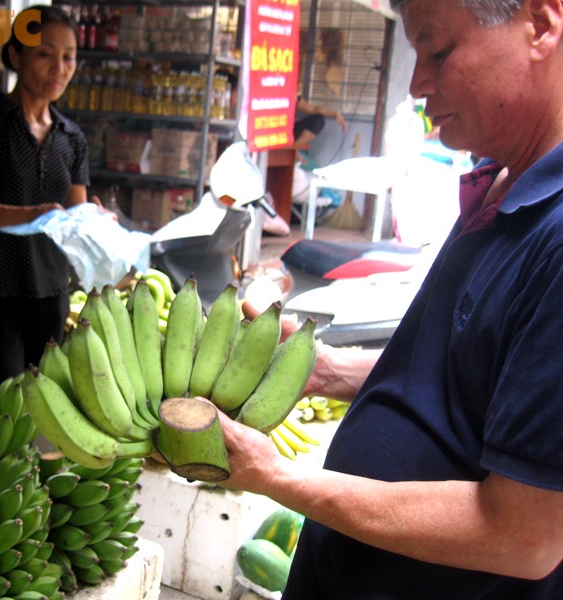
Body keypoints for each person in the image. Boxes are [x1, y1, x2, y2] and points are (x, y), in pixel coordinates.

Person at [218, 0, 563, 597]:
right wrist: (324, 369)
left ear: (540, 24)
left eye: (438, 49)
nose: (416, 82)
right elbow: (469, 375)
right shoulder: (501, 180)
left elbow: (524, 536)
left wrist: (275, 477)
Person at [0, 5, 93, 396]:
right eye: (45, 54)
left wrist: (97, 219)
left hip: (51, 290)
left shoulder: (71, 138)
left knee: (44, 406)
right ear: (15, 55)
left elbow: (76, 215)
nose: (59, 68)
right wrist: (32, 215)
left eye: (68, 57)